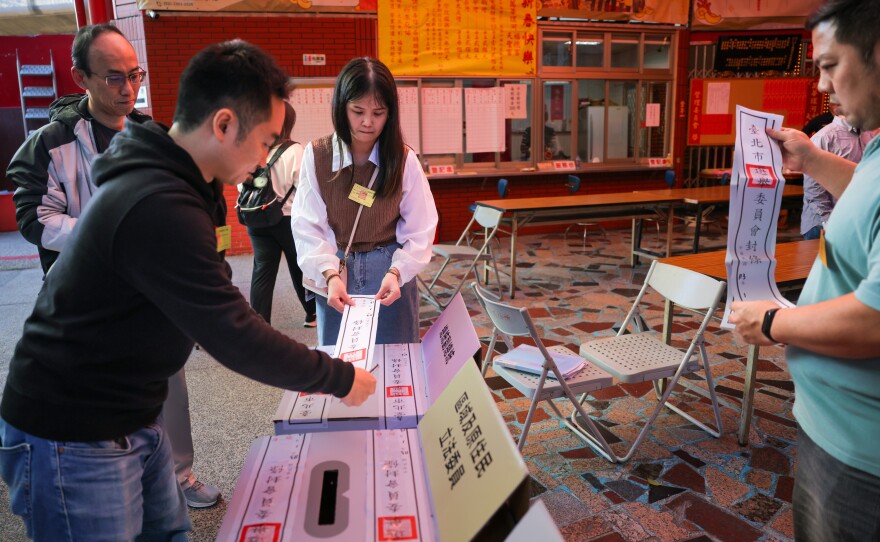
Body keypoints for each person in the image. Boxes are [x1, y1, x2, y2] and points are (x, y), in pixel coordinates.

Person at [0, 39, 376, 541]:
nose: (264, 161)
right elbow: (233, 334)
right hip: (73, 430)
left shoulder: (178, 179)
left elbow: (217, 295)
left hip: (133, 411)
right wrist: (339, 377)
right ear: (223, 124)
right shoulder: (158, 202)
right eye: (264, 141)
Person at [729, 1, 880, 540]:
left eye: (830, 64)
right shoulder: (877, 150)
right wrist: (811, 158)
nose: (821, 85)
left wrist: (773, 323)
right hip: (832, 430)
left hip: (863, 456)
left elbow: (874, 321)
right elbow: (869, 197)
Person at [292, 57, 438, 346]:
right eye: (357, 111)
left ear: (390, 113)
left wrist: (398, 272)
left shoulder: (404, 158)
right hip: (337, 271)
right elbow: (308, 225)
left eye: (378, 112)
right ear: (341, 107)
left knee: (395, 362)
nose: (367, 122)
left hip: (389, 272)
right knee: (340, 366)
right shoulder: (317, 155)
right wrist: (329, 274)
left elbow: (421, 228)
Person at [7, 23, 150, 275]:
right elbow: (35, 219)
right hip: (81, 286)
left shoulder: (150, 137)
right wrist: (109, 236)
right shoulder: (52, 143)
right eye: (114, 78)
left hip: (143, 281)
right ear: (80, 77)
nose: (128, 89)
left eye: (134, 75)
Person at [243, 101, 317, 327]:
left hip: (256, 218)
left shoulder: (252, 149)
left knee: (262, 270)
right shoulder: (295, 150)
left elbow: (242, 186)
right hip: (288, 219)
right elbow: (305, 187)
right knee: (298, 267)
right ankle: (311, 314)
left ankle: (259, 322)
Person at [801, 102, 875, 240]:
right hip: (823, 224)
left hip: (855, 222)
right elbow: (813, 188)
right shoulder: (825, 137)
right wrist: (830, 222)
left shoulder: (868, 136)